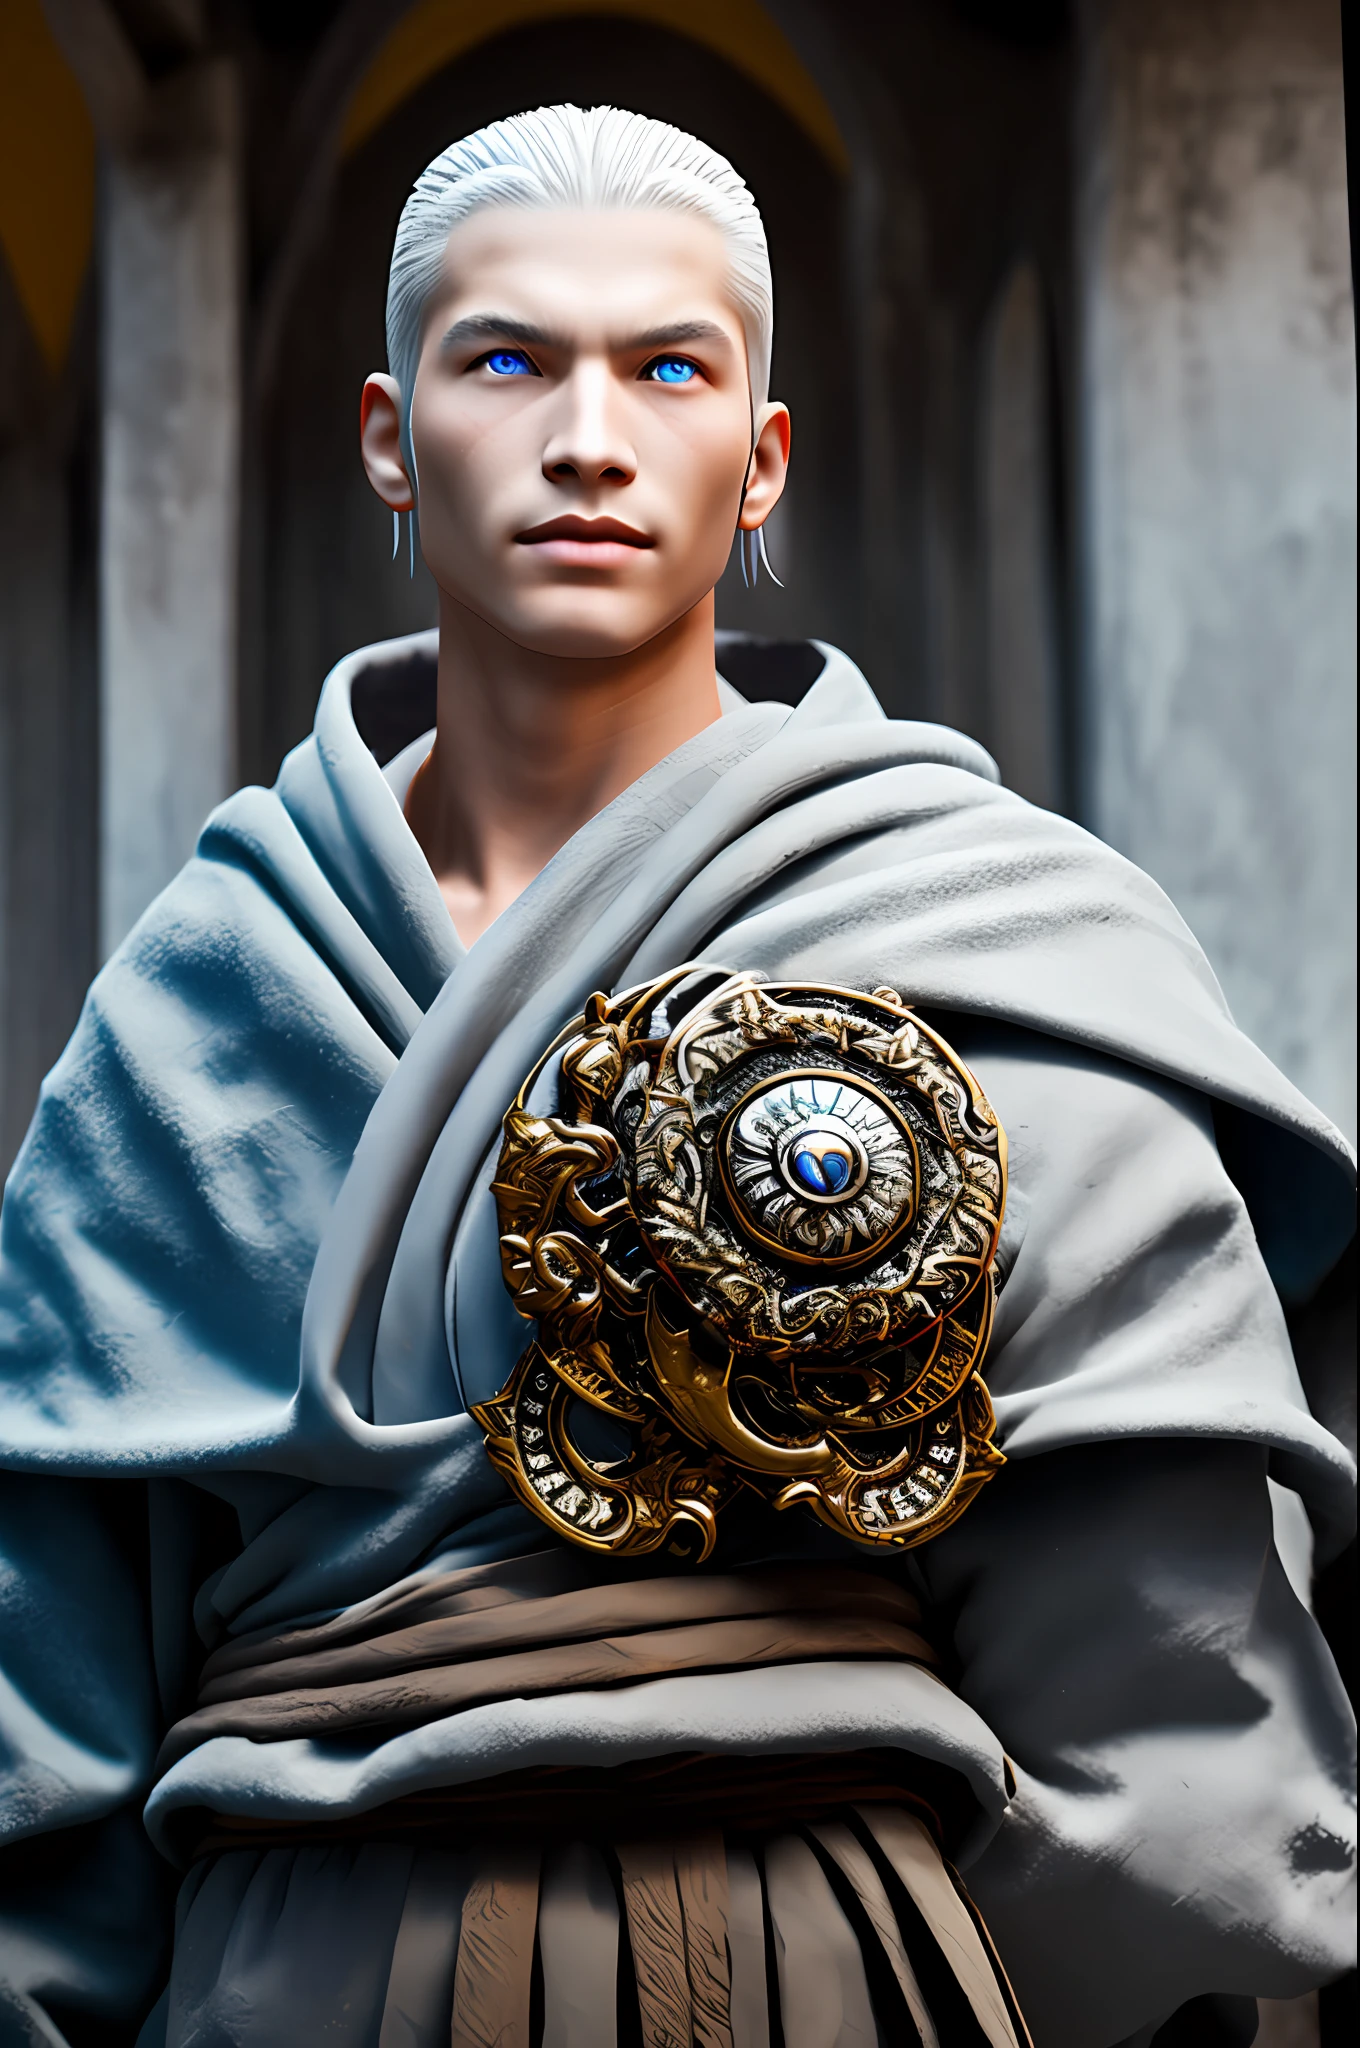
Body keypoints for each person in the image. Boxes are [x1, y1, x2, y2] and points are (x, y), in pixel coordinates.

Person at [0, 104, 1353, 2048]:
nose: (583, 435)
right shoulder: (193, 1003)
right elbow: (39, 1715)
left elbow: (1168, 1701)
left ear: (758, 460)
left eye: (663, 366)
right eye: (503, 360)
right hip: (277, 1981)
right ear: (389, 437)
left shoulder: (1001, 937)